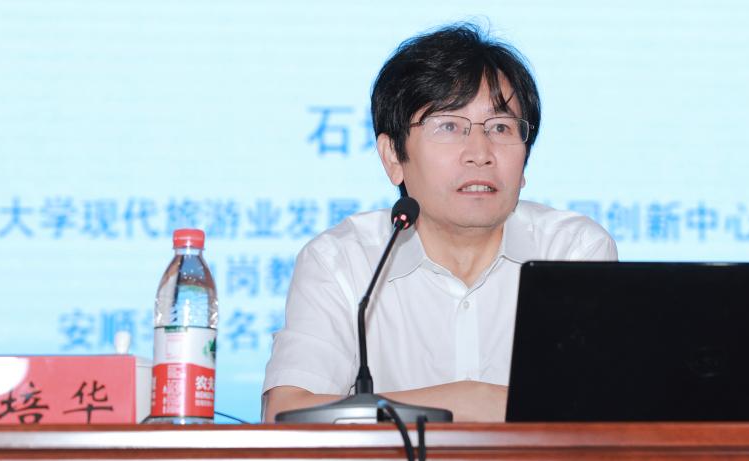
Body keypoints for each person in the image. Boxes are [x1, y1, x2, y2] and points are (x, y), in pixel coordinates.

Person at [262, 23, 617, 422]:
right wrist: (467, 400)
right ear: (393, 157)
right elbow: (286, 411)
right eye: (449, 126)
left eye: (501, 128)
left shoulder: (572, 251)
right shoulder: (343, 260)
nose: (480, 153)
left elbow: (601, 413)